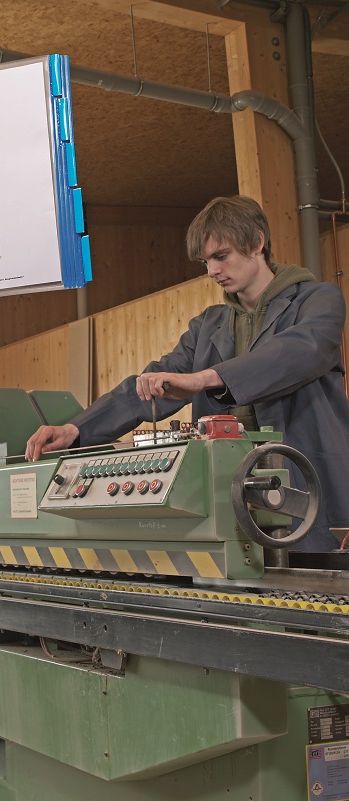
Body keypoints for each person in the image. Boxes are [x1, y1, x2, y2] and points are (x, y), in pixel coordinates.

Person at [25, 195, 349, 551]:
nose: (212, 271)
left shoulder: (318, 301)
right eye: (205, 261)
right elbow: (153, 385)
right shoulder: (206, 326)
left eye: (221, 256)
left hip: (308, 486)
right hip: (231, 495)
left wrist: (205, 378)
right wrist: (76, 429)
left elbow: (298, 352)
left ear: (257, 242)